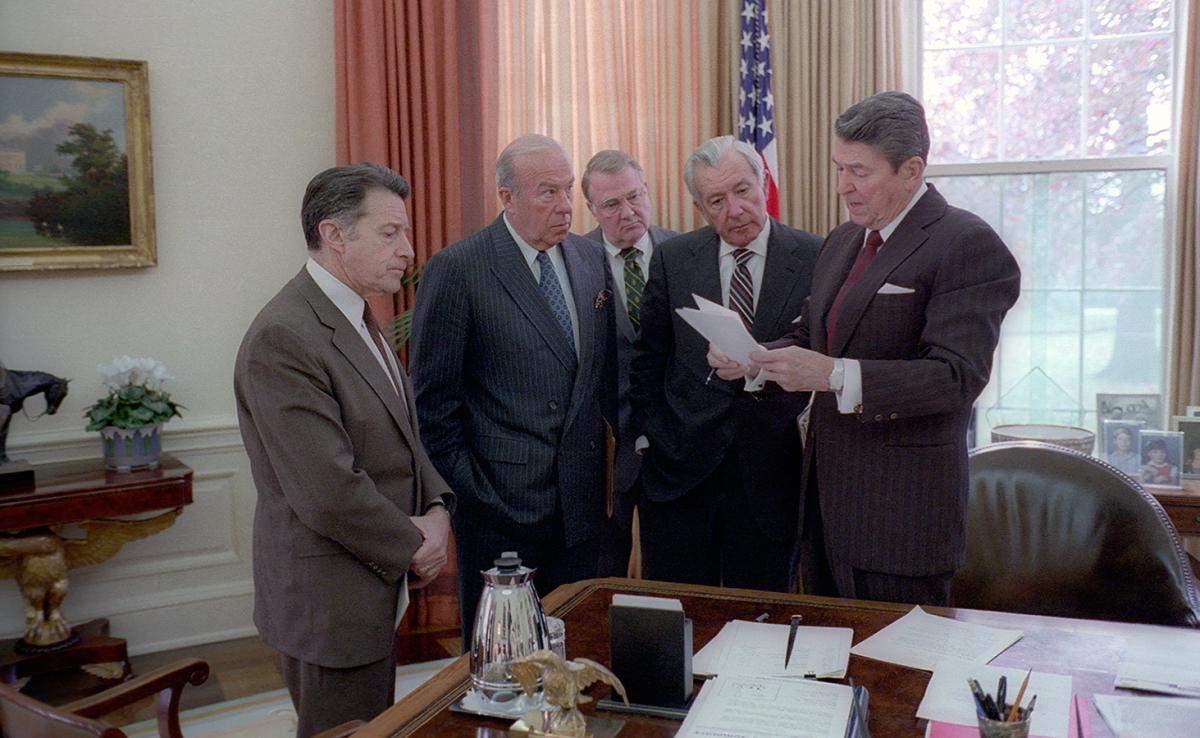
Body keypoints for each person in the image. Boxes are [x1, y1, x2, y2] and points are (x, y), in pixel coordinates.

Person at [711, 92, 1021, 606]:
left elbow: (956, 377)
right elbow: (812, 335)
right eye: (839, 168)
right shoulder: (843, 241)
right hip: (826, 510)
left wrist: (834, 375)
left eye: (859, 171)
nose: (843, 187)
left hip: (902, 521)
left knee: (900, 679)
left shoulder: (966, 242)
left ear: (911, 169)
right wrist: (755, 359)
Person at [234, 163, 454, 737]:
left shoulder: (354, 313)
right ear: (335, 235)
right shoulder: (284, 335)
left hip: (366, 586)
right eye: (390, 233)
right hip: (327, 603)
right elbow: (327, 491)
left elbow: (406, 433)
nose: (408, 249)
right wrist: (416, 544)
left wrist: (437, 510)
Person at [409, 134, 615, 642]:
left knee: (580, 661)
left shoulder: (590, 258)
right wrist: (479, 499)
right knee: (505, 672)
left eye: (568, 190)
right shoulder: (459, 269)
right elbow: (434, 410)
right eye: (548, 193)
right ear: (506, 197)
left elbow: (602, 380)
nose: (566, 206)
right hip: (501, 517)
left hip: (584, 515)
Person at [629, 136, 821, 591]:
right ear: (700, 208)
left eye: (743, 191)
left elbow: (818, 346)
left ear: (763, 183)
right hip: (680, 475)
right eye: (717, 200)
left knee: (760, 621)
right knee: (679, 620)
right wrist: (655, 438)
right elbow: (648, 361)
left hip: (773, 475)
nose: (734, 210)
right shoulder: (674, 258)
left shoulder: (815, 255)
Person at [581, 149, 678, 577]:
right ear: (591, 209)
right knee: (603, 573)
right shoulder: (573, 259)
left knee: (675, 572)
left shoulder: (685, 252)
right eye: (611, 204)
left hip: (673, 446)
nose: (628, 212)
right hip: (602, 451)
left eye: (635, 197)